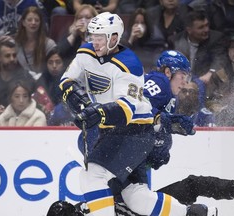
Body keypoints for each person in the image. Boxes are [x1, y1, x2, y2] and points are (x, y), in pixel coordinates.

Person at [59, 12, 192, 215]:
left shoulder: (129, 64)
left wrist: (99, 113)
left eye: (100, 37)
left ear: (114, 37)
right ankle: (196, 213)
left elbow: (127, 109)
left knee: (92, 176)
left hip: (135, 133)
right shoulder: (85, 53)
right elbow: (66, 80)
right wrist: (76, 97)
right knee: (136, 196)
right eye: (92, 36)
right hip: (111, 133)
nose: (94, 41)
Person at [170, 10, 228, 84]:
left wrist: (211, 73)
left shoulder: (216, 38)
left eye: (207, 25)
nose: (206, 30)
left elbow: (219, 58)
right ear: (189, 30)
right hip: (181, 81)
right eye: (201, 27)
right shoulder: (176, 41)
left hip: (204, 82)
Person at [0, 40, 34, 125]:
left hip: (20, 124)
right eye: (7, 56)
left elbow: (32, 102)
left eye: (14, 55)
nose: (12, 59)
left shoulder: (25, 77)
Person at [15, 6, 57, 79]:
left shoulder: (49, 44)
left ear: (40, 23)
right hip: (22, 82)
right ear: (23, 23)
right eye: (29, 20)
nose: (33, 23)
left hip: (44, 82)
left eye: (37, 20)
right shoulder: (16, 43)